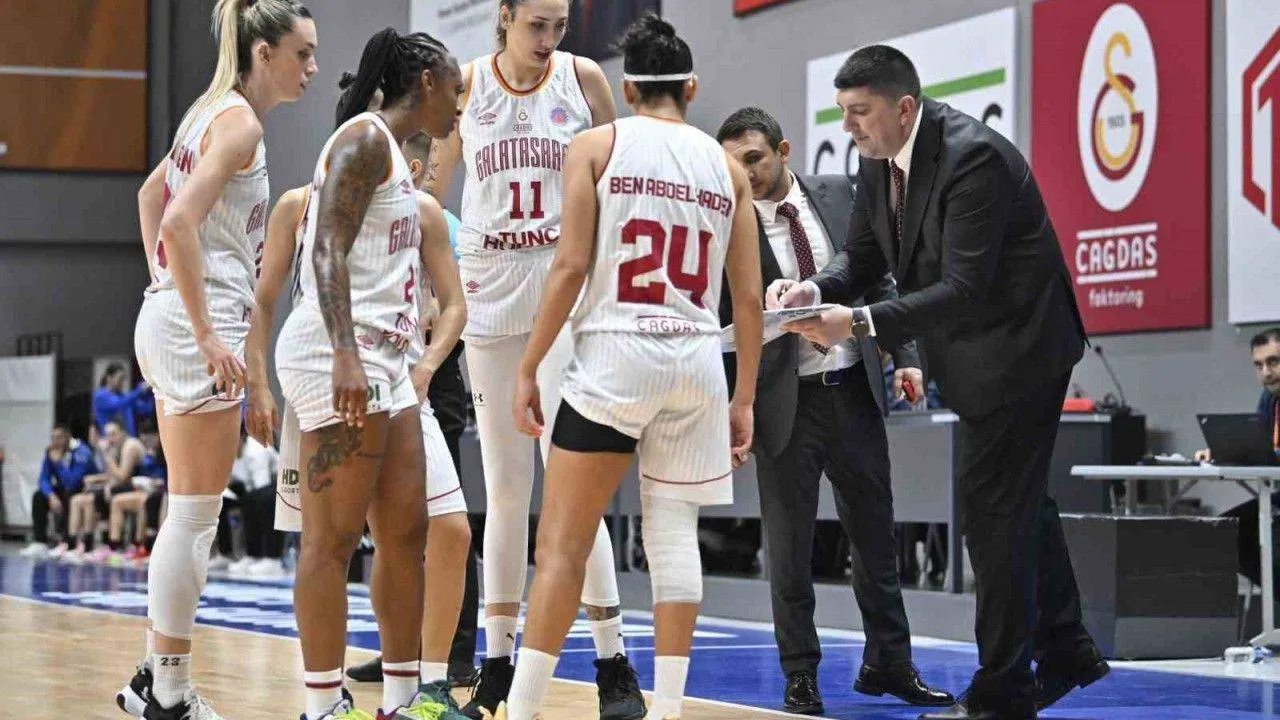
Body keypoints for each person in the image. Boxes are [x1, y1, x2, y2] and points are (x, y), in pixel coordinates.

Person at [776, 46, 1106, 719]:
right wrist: (814, 289)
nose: (848, 127)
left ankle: (1002, 693)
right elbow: (862, 257)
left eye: (860, 112)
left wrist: (858, 323)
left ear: (904, 108)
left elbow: (963, 288)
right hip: (976, 355)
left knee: (990, 516)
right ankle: (1068, 649)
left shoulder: (973, 158)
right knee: (1018, 505)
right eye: (842, 112)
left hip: (1024, 350)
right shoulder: (877, 160)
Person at [499, 14, 763, 720]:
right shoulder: (729, 169)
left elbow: (569, 266)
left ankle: (521, 712)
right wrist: (744, 397)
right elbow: (747, 297)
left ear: (628, 88)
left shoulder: (595, 145)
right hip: (697, 361)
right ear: (691, 88)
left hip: (617, 354)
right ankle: (669, 710)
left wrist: (529, 366)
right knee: (672, 539)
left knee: (562, 545)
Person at [424, 1, 643, 716]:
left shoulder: (583, 80)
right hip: (489, 296)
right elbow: (430, 194)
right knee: (505, 488)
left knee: (574, 485)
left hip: (562, 292)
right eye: (536, 25)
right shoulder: (465, 86)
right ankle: (496, 661)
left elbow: (618, 188)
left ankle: (613, 661)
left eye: (559, 26)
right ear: (505, 16)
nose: (548, 40)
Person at [716, 106, 952, 714]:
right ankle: (800, 673)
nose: (744, 174)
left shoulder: (840, 193)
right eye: (733, 165)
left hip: (852, 389)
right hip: (783, 401)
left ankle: (890, 664)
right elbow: (719, 325)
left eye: (753, 159)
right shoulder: (725, 225)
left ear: (784, 150)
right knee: (790, 550)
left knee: (876, 539)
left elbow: (880, 280)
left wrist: (906, 356)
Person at [118, 1, 317, 717]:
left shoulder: (206, 112)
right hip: (197, 327)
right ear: (264, 53)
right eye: (301, 52)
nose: (312, 67)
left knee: (187, 512)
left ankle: (154, 675)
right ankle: (171, 691)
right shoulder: (240, 125)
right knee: (195, 517)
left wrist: (163, 286)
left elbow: (149, 195)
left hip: (167, 316)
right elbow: (175, 218)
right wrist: (202, 328)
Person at [273, 27, 462, 720]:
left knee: (408, 533)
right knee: (332, 541)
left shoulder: (398, 160)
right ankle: (323, 704)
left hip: (387, 358)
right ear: (427, 83)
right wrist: (346, 353)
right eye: (455, 90)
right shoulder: (363, 139)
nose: (460, 105)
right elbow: (326, 249)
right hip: (336, 353)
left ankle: (406, 700)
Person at [1201, 328, 1280, 597]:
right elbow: (1262, 446)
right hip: (1277, 495)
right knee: (1222, 533)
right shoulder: (1269, 398)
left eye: (1273, 362)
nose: (1266, 372)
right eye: (1259, 365)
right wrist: (1222, 452)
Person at [20, 424, 96, 558]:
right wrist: (51, 495)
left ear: (68, 436)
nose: (55, 441)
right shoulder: (52, 451)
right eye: (53, 438)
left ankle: (67, 542)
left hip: (83, 490)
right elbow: (44, 478)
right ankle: (40, 542)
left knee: (70, 496)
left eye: (59, 438)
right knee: (39, 496)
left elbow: (73, 482)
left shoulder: (82, 452)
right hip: (63, 489)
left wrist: (59, 463)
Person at [93, 362, 153, 437]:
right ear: (109, 378)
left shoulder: (124, 397)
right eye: (120, 379)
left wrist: (149, 392)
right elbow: (119, 405)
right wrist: (140, 390)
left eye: (123, 379)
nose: (122, 382)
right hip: (111, 440)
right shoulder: (101, 396)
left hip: (129, 439)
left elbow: (146, 409)